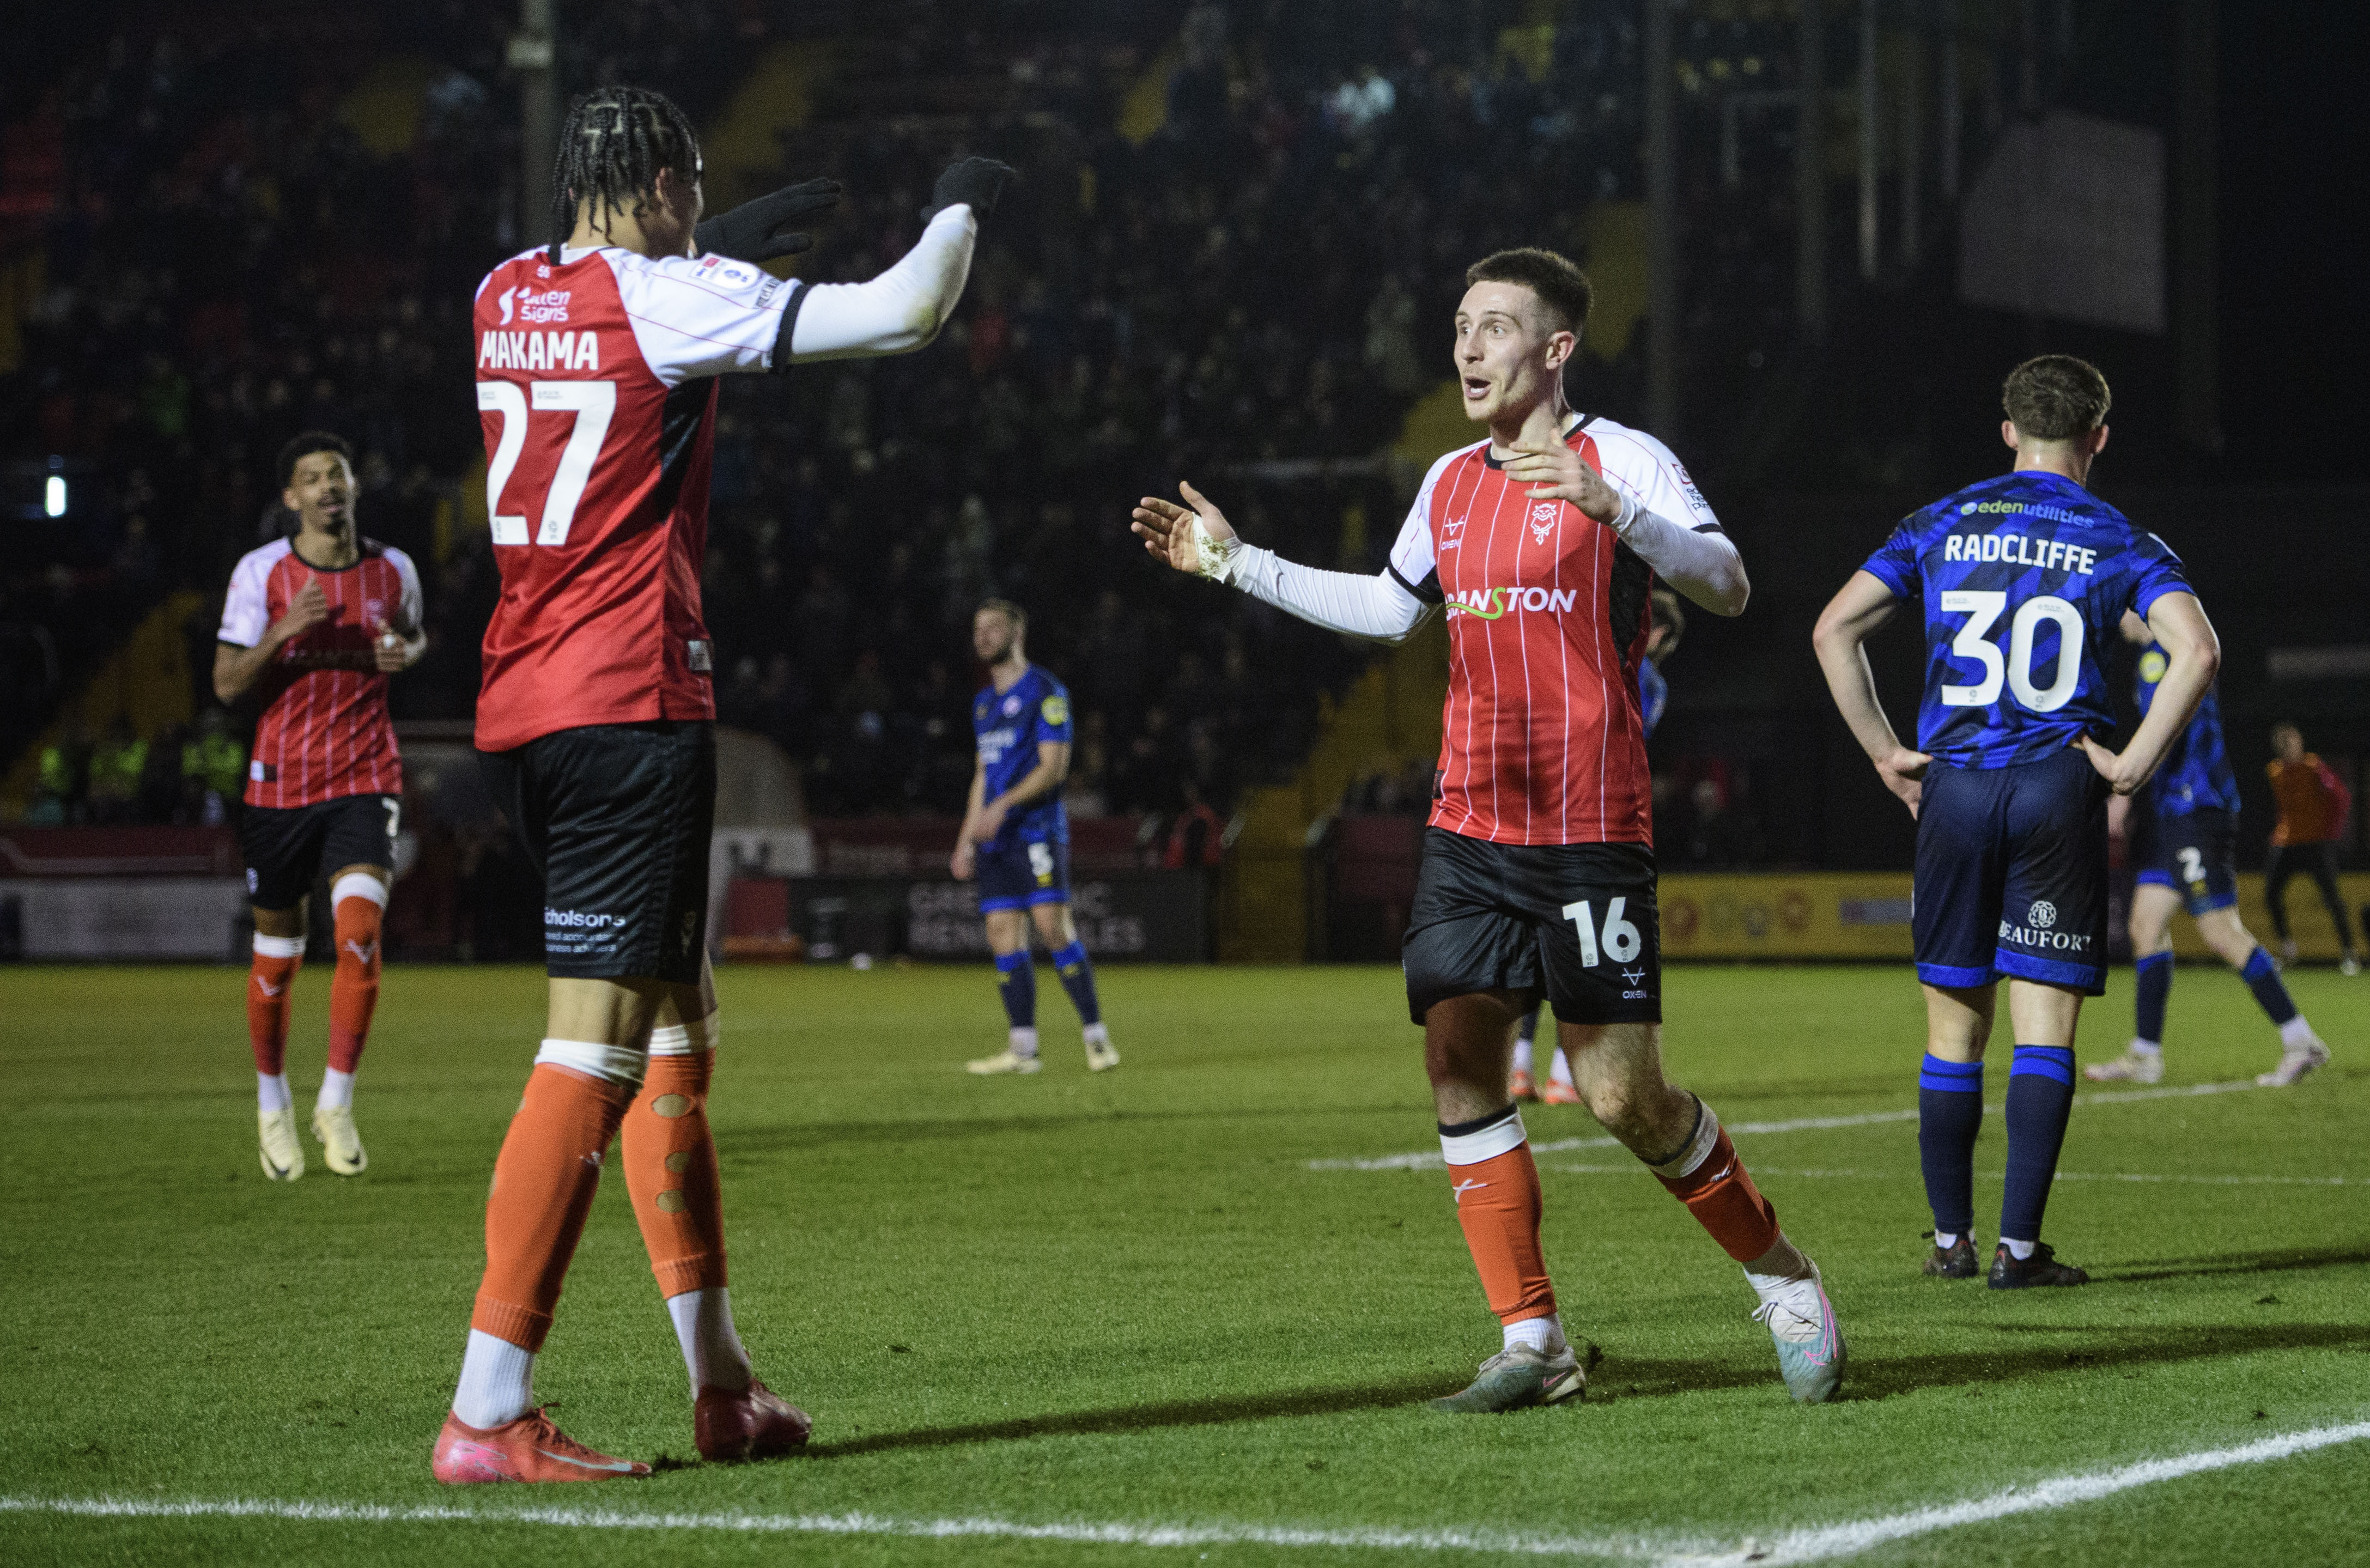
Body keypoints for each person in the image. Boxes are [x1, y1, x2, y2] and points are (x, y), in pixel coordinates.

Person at [1134, 246, 1844, 1409]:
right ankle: (1532, 1338)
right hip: (1468, 823)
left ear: (1554, 348)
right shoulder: (1449, 481)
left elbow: (1727, 584)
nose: (1466, 347)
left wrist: (1622, 514)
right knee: (1457, 1059)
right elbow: (1382, 608)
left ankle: (1782, 1275)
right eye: (1459, 325)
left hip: (1586, 828)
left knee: (1622, 1096)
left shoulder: (1624, 458)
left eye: (1494, 326)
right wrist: (1233, 562)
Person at [437, 82, 1009, 1484]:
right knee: (595, 1048)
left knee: (679, 1022)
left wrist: (714, 244)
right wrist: (960, 197)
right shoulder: (669, 299)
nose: (701, 211)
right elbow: (905, 311)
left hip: (527, 700)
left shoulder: (499, 287)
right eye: (692, 188)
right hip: (626, 702)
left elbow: (617, 298)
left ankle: (721, 1386)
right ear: (654, 188)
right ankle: (487, 1409)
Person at [1812, 356, 2220, 1291]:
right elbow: (2195, 649)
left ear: (2007, 431)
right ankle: (2018, 1251)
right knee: (2043, 1035)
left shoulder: (1941, 521)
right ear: (2098, 437)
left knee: (1951, 1031)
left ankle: (1949, 1241)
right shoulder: (2117, 534)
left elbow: (1831, 629)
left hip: (1952, 789)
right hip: (2054, 785)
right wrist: (2129, 765)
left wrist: (1883, 750)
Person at [214, 431, 426, 1182]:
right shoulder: (261, 573)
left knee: (361, 933)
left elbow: (414, 635)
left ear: (353, 487)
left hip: (366, 777)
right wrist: (284, 630)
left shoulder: (393, 568)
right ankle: (272, 1102)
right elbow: (228, 683)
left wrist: (409, 650)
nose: (328, 487)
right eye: (312, 478)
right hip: (280, 786)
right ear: (292, 498)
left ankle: (336, 1099)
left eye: (337, 474)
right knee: (278, 956)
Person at [2082, 624, 2331, 1088]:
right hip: (2173, 812)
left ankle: (2301, 1040)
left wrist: (2124, 786)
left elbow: (2169, 729)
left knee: (2219, 931)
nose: (2119, 616)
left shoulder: (2162, 653)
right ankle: (2146, 1055)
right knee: (2145, 926)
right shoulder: (2164, 651)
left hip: (2197, 808)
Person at [1512, 586, 1686, 1107]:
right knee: (1590, 949)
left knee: (1541, 941)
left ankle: (1527, 1067)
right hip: (1597, 824)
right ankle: (1560, 1074)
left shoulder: (1603, 666)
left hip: (1547, 812)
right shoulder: (1644, 681)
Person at [953, 599, 1118, 1074]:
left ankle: (1096, 1037)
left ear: (1017, 633)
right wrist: (966, 838)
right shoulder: (983, 703)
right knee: (1003, 934)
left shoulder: (1046, 691)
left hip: (1036, 831)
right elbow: (982, 776)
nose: (983, 636)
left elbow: (1054, 767)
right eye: (978, 628)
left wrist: (1004, 806)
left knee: (1051, 927)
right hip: (994, 841)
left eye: (993, 628)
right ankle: (1023, 1049)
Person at [2265, 723, 2359, 973]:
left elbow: (2340, 797)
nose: (2286, 748)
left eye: (2291, 742)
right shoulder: (2274, 771)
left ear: (2300, 743)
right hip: (2287, 843)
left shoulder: (2313, 767)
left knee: (2332, 899)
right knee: (2271, 894)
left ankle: (2349, 953)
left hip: (2316, 843)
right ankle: (2288, 949)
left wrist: (2332, 832)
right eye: (2282, 744)